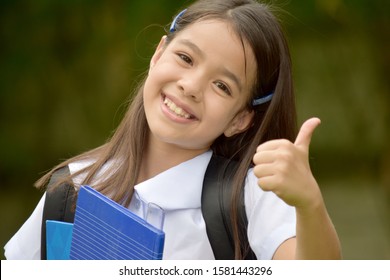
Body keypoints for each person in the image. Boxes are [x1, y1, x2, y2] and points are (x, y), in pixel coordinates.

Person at [4, 0, 341, 260]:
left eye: (222, 86)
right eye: (185, 58)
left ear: (240, 118)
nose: (191, 86)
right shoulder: (74, 186)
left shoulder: (251, 196)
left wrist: (309, 203)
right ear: (158, 54)